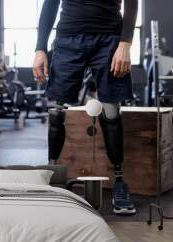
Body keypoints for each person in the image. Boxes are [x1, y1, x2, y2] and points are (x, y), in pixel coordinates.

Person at [33, 0, 138, 215]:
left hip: (109, 38)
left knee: (111, 110)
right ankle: (51, 179)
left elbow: (132, 3)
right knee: (57, 110)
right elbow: (50, 5)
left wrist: (125, 43)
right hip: (68, 38)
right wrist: (40, 48)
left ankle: (119, 182)